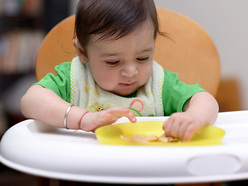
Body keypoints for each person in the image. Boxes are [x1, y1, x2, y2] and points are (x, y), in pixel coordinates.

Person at [20, 0, 219, 142]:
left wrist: (194, 117)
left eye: (142, 58)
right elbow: (30, 101)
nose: (131, 71)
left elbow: (205, 99)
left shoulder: (158, 85)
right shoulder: (74, 79)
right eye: (113, 62)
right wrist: (82, 119)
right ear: (83, 52)